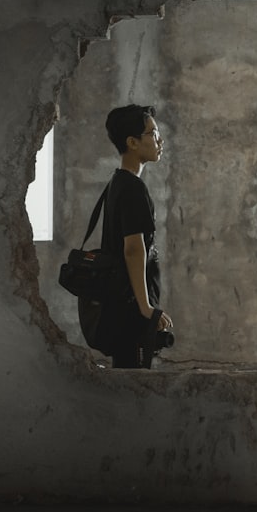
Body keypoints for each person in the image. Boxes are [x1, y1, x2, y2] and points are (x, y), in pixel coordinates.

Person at [101, 104, 174, 369]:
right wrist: (145, 307)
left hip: (123, 302)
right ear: (132, 142)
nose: (159, 140)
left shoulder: (118, 182)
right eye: (152, 134)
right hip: (131, 307)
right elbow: (133, 248)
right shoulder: (132, 189)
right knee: (134, 380)